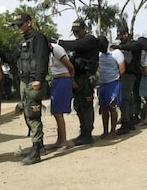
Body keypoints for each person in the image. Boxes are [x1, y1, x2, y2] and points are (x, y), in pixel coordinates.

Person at [12, 12, 50, 165]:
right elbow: (12, 58)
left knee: (33, 115)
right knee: (28, 114)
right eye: (17, 25)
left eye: (21, 24)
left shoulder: (38, 38)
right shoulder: (22, 41)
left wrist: (39, 80)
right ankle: (38, 146)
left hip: (34, 82)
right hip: (24, 81)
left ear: (29, 23)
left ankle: (36, 151)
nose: (18, 27)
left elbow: (42, 59)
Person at [58, 18, 99, 146]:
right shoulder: (79, 43)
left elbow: (75, 45)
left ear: (84, 29)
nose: (76, 33)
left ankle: (87, 134)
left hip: (86, 79)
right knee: (79, 106)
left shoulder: (90, 40)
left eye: (78, 31)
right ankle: (83, 133)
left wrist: (58, 42)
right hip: (78, 79)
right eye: (74, 31)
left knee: (86, 107)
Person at [110, 27, 143, 135]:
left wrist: (119, 47)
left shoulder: (135, 44)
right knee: (128, 99)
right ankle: (129, 120)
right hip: (124, 74)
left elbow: (131, 47)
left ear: (126, 34)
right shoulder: (123, 45)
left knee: (125, 99)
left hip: (130, 74)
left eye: (122, 36)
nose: (120, 39)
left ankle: (125, 123)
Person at [45, 41, 75, 152]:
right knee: (55, 111)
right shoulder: (49, 52)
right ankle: (59, 140)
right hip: (56, 80)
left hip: (63, 80)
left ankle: (64, 142)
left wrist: (71, 79)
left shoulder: (56, 49)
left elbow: (70, 67)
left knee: (59, 112)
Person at [97, 36, 125, 139]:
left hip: (113, 83)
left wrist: (117, 78)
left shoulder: (116, 53)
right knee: (104, 109)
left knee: (112, 108)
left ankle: (112, 131)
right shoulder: (99, 54)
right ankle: (105, 131)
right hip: (102, 84)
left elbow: (122, 69)